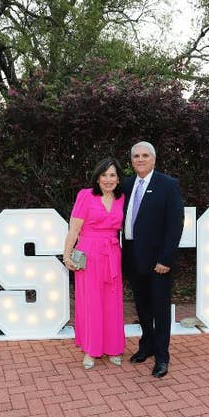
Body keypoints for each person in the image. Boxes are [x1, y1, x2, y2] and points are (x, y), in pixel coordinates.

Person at [121, 141, 184, 378]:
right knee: (142, 306)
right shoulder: (126, 184)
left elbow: (175, 225)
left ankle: (162, 357)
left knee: (160, 308)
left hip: (158, 260)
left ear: (154, 159)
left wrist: (166, 258)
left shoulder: (168, 185)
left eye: (145, 155)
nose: (140, 159)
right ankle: (146, 346)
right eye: (136, 155)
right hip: (132, 256)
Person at [63, 157, 126, 369]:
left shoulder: (121, 199)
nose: (108, 179)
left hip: (112, 253)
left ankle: (113, 348)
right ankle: (91, 350)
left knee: (112, 302)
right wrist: (67, 254)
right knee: (91, 303)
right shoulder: (86, 196)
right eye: (104, 175)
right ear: (97, 177)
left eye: (112, 175)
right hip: (89, 253)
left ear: (118, 179)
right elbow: (73, 229)